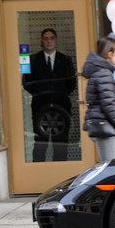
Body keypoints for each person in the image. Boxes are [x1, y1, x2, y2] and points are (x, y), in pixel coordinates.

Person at [22, 28, 76, 162]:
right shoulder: (33, 59)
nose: (49, 41)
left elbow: (72, 83)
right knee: (40, 142)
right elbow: (27, 82)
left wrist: (59, 94)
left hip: (61, 105)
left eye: (52, 38)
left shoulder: (65, 59)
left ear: (56, 41)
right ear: (42, 41)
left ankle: (60, 172)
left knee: (61, 142)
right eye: (46, 38)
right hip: (40, 105)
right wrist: (40, 94)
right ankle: (38, 173)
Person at [82, 38, 115, 161]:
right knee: (110, 166)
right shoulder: (104, 73)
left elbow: (103, 96)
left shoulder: (99, 71)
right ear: (109, 54)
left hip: (100, 124)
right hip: (102, 125)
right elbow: (108, 103)